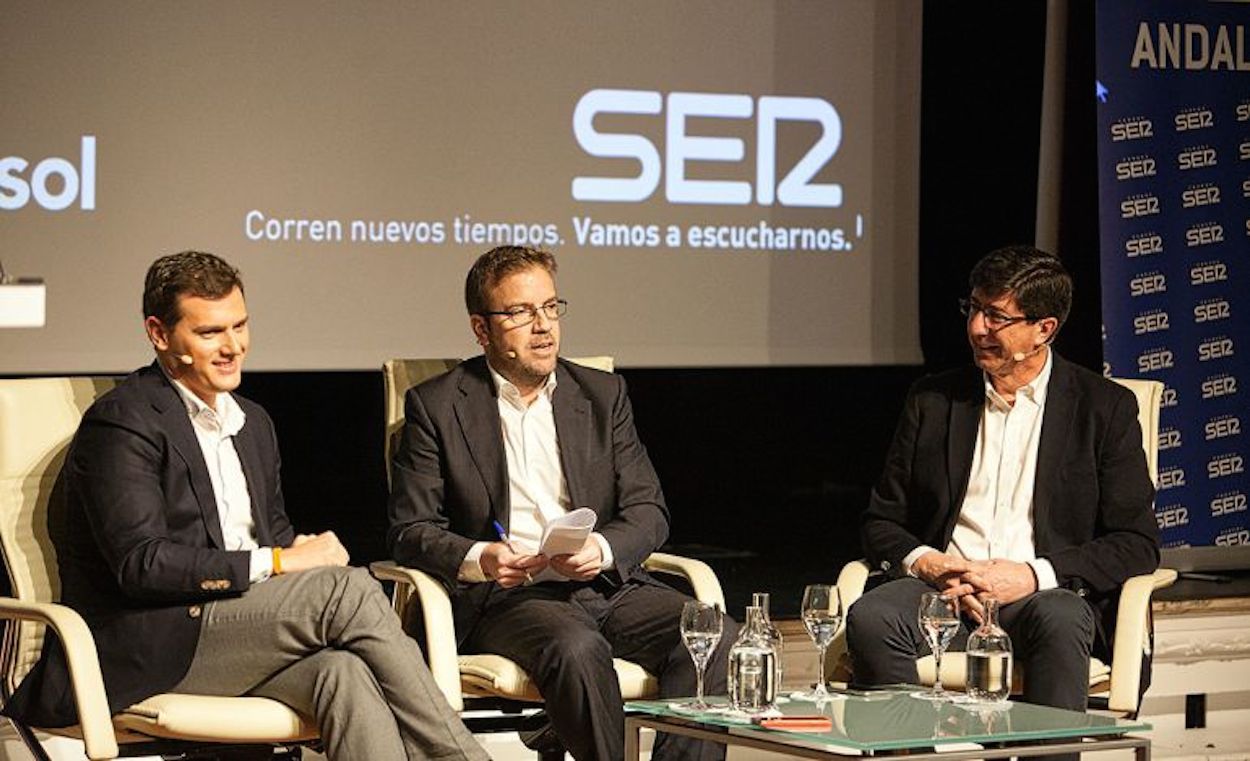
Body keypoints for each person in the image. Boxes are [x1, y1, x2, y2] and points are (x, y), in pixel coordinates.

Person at [3, 251, 488, 761]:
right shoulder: (124, 424)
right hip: (152, 642)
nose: (233, 347)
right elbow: (141, 564)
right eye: (210, 333)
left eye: (240, 326)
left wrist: (291, 552)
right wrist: (281, 563)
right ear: (159, 334)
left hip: (239, 628)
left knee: (342, 675)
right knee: (347, 590)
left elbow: (270, 536)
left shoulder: (252, 423)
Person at [387, 245, 735, 761]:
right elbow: (409, 529)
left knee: (714, 637)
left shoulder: (601, 395)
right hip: (510, 598)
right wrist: (480, 558)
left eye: (551, 307)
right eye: (521, 313)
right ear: (482, 330)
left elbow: (648, 510)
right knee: (577, 648)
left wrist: (601, 548)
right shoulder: (438, 406)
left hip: (607, 587)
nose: (543, 326)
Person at [847, 245, 1160, 716]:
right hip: (943, 595)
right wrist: (930, 564)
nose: (977, 328)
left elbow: (1136, 543)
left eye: (996, 317)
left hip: (1042, 597)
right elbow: (881, 522)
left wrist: (1031, 575)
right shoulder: (933, 400)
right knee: (873, 617)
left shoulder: (1103, 407)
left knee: (1062, 618)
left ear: (1044, 329)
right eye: (973, 308)